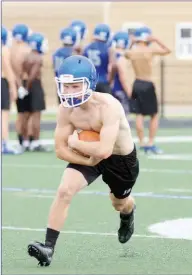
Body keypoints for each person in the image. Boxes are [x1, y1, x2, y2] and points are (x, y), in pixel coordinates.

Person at [27, 55, 139, 267]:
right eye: (65, 86)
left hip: (120, 160)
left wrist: (76, 143)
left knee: (119, 203)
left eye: (75, 86)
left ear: (90, 83)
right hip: (89, 156)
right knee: (64, 190)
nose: (69, 92)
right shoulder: (66, 109)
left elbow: (105, 150)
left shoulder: (109, 106)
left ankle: (128, 213)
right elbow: (60, 149)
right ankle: (48, 247)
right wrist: (87, 161)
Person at [124, 26, 171, 154]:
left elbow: (125, 54)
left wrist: (132, 43)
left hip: (137, 83)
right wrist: (156, 40)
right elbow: (168, 50)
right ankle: (150, 142)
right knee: (154, 115)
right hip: (148, 83)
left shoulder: (132, 52)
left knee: (139, 114)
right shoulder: (150, 49)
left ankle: (141, 142)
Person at [23, 33, 48, 152]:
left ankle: (26, 140)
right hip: (34, 86)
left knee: (27, 115)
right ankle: (36, 142)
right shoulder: (38, 58)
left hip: (27, 85)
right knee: (36, 115)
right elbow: (32, 75)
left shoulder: (27, 56)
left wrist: (25, 87)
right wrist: (28, 87)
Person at [10, 23, 31, 151]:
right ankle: (24, 139)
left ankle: (20, 139)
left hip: (16, 82)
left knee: (20, 113)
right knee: (25, 114)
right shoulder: (26, 49)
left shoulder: (10, 49)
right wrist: (20, 85)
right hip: (23, 82)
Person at [1, 26, 19, 154]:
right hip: (2, 82)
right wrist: (13, 87)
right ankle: (4, 143)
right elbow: (7, 68)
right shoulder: (4, 49)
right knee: (4, 114)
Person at [83, 23, 112, 94]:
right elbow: (112, 66)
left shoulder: (86, 48)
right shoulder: (108, 49)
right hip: (103, 81)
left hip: (90, 82)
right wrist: (110, 79)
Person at [52, 27, 78, 104]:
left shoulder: (56, 53)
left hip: (60, 84)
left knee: (62, 109)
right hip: (72, 85)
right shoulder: (74, 53)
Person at [108, 31, 131, 115]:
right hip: (120, 91)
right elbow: (123, 77)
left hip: (110, 90)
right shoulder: (122, 58)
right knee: (122, 120)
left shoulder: (110, 55)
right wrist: (130, 93)